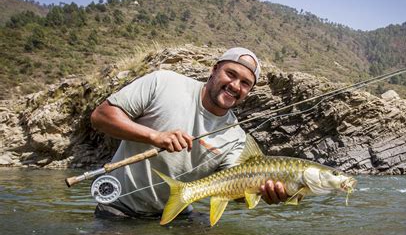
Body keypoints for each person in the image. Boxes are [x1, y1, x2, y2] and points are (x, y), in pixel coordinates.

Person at [91, 47, 287, 218]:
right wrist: (154, 136)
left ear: (249, 92)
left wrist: (261, 192)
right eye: (231, 74)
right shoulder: (164, 82)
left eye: (245, 83)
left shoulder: (236, 138)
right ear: (214, 69)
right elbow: (101, 117)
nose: (235, 85)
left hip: (180, 213)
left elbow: (232, 188)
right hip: (118, 208)